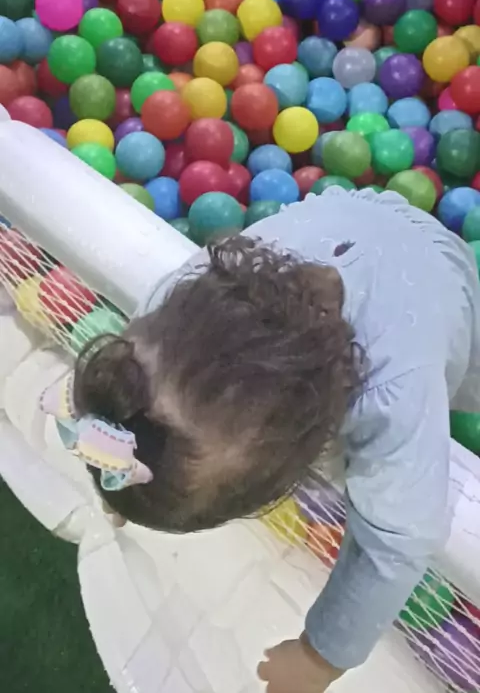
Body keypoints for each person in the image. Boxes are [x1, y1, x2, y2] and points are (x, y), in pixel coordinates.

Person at [41, 187, 480, 693]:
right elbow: (123, 403)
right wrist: (118, 487)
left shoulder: (391, 393)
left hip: (436, 270)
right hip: (351, 214)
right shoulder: (173, 308)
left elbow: (398, 541)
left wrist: (320, 655)